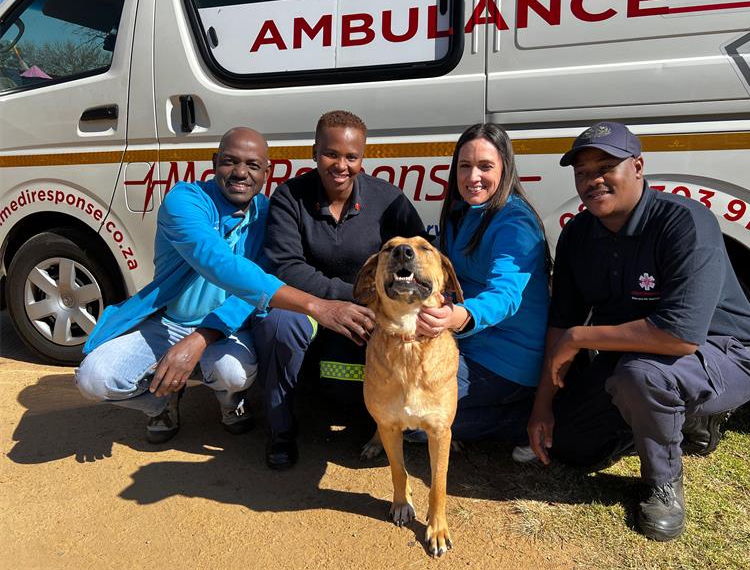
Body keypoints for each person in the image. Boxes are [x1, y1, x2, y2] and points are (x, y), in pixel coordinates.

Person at [527, 121, 750, 541]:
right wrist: (542, 407)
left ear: (637, 166)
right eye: (582, 172)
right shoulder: (578, 234)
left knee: (642, 375)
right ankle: (672, 419)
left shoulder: (685, 221)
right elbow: (561, 321)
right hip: (634, 356)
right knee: (570, 446)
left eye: (606, 167)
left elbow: (680, 336)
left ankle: (663, 483)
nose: (592, 180)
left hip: (723, 352)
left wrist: (581, 339)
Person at [76, 127, 373, 444]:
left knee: (233, 373)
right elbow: (217, 262)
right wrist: (317, 306)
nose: (241, 173)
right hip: (168, 321)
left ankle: (232, 404)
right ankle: (160, 403)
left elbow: (253, 289)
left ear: (266, 172)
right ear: (215, 162)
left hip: (226, 327)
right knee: (94, 379)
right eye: (230, 162)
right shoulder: (186, 200)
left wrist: (199, 339)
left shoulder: (269, 215)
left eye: (252, 165)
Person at [253, 110, 426, 470]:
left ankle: (385, 419)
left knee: (354, 381)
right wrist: (344, 299)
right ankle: (281, 430)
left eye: (351, 157)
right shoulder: (290, 197)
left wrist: (379, 305)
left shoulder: (388, 200)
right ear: (314, 152)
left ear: (363, 158)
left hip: (369, 312)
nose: (341, 165)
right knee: (278, 325)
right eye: (331, 154)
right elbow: (286, 266)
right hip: (309, 306)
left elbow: (418, 257)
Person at [415, 123, 550, 452]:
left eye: (485, 166)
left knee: (416, 424)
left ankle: (522, 421)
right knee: (398, 397)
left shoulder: (515, 222)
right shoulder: (461, 212)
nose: (473, 176)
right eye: (465, 166)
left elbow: (505, 295)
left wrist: (455, 316)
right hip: (467, 344)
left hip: (507, 358)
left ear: (505, 168)